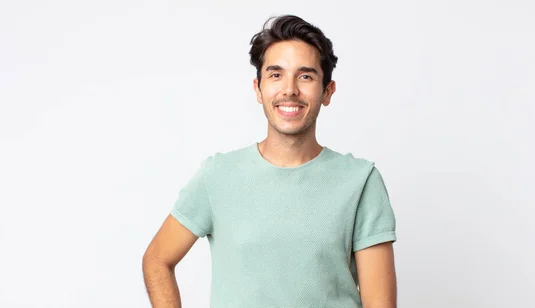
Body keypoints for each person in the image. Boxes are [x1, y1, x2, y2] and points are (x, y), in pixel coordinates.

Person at [142, 14, 397, 308]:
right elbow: (157, 259)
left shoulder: (361, 181)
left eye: (305, 76)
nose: (289, 89)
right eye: (276, 74)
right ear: (258, 88)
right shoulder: (217, 176)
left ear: (327, 91)